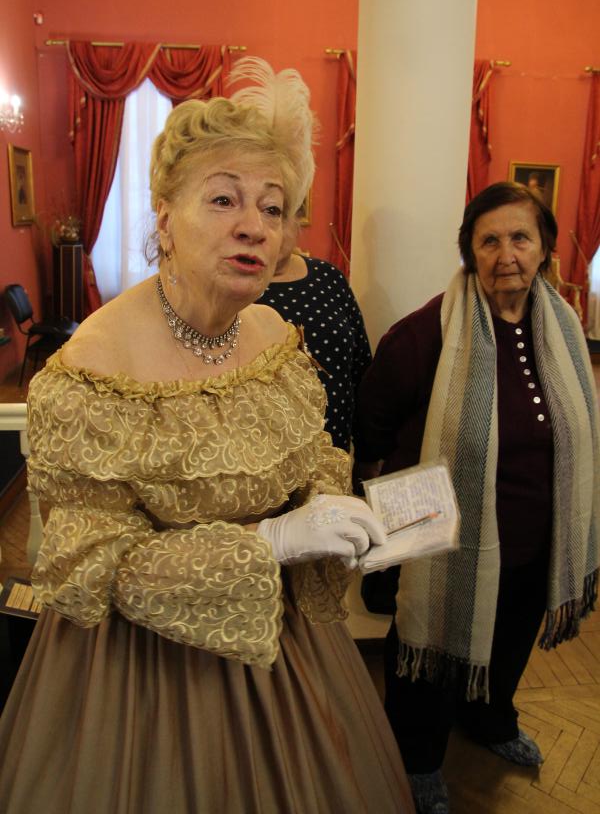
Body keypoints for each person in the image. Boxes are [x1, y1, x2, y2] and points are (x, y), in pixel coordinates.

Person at [0, 59, 415, 814]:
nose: (254, 225)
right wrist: (272, 541)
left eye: (272, 206)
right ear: (164, 216)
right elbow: (95, 565)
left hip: (288, 657)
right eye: (223, 198)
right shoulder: (93, 371)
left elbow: (313, 455)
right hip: (141, 678)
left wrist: (329, 508)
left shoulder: (275, 335)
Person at [353, 181, 600, 814]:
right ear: (469, 252)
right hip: (437, 530)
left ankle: (490, 719)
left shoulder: (563, 326)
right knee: (427, 652)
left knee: (511, 635)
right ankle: (416, 759)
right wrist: (385, 502)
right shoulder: (426, 332)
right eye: (489, 241)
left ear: (544, 247)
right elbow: (373, 421)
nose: (506, 255)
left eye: (520, 237)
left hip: (534, 531)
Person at [261, 202, 372, 451]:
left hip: (335, 448)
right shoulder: (233, 288)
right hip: (266, 454)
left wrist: (369, 451)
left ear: (297, 219)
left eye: (276, 213)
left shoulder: (328, 277)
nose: (266, 229)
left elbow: (362, 368)